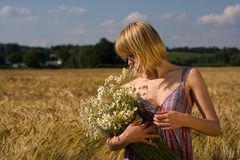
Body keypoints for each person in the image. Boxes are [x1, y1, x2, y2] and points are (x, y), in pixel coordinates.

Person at [107, 21, 221, 160]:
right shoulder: (127, 89)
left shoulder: (189, 76)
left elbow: (215, 128)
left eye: (131, 55)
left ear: (145, 48)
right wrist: (125, 138)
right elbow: (111, 144)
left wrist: (183, 119)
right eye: (126, 57)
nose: (129, 62)